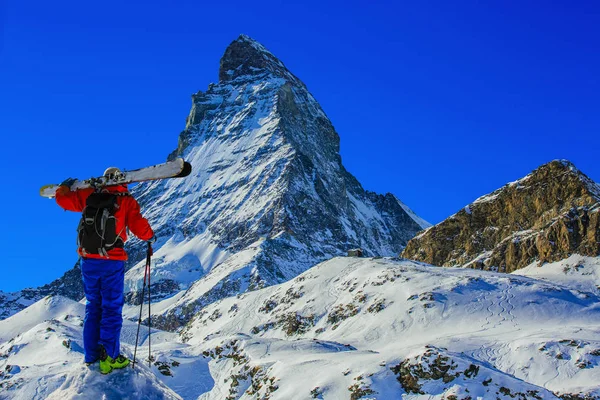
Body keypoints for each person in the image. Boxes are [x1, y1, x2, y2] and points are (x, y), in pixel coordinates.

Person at [55, 167, 155, 374]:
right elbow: (139, 227)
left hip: (88, 260)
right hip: (112, 261)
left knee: (93, 306)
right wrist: (150, 237)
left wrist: (64, 188)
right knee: (111, 308)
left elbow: (63, 201)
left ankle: (91, 356)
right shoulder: (125, 200)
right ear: (123, 181)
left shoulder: (89, 195)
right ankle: (109, 356)